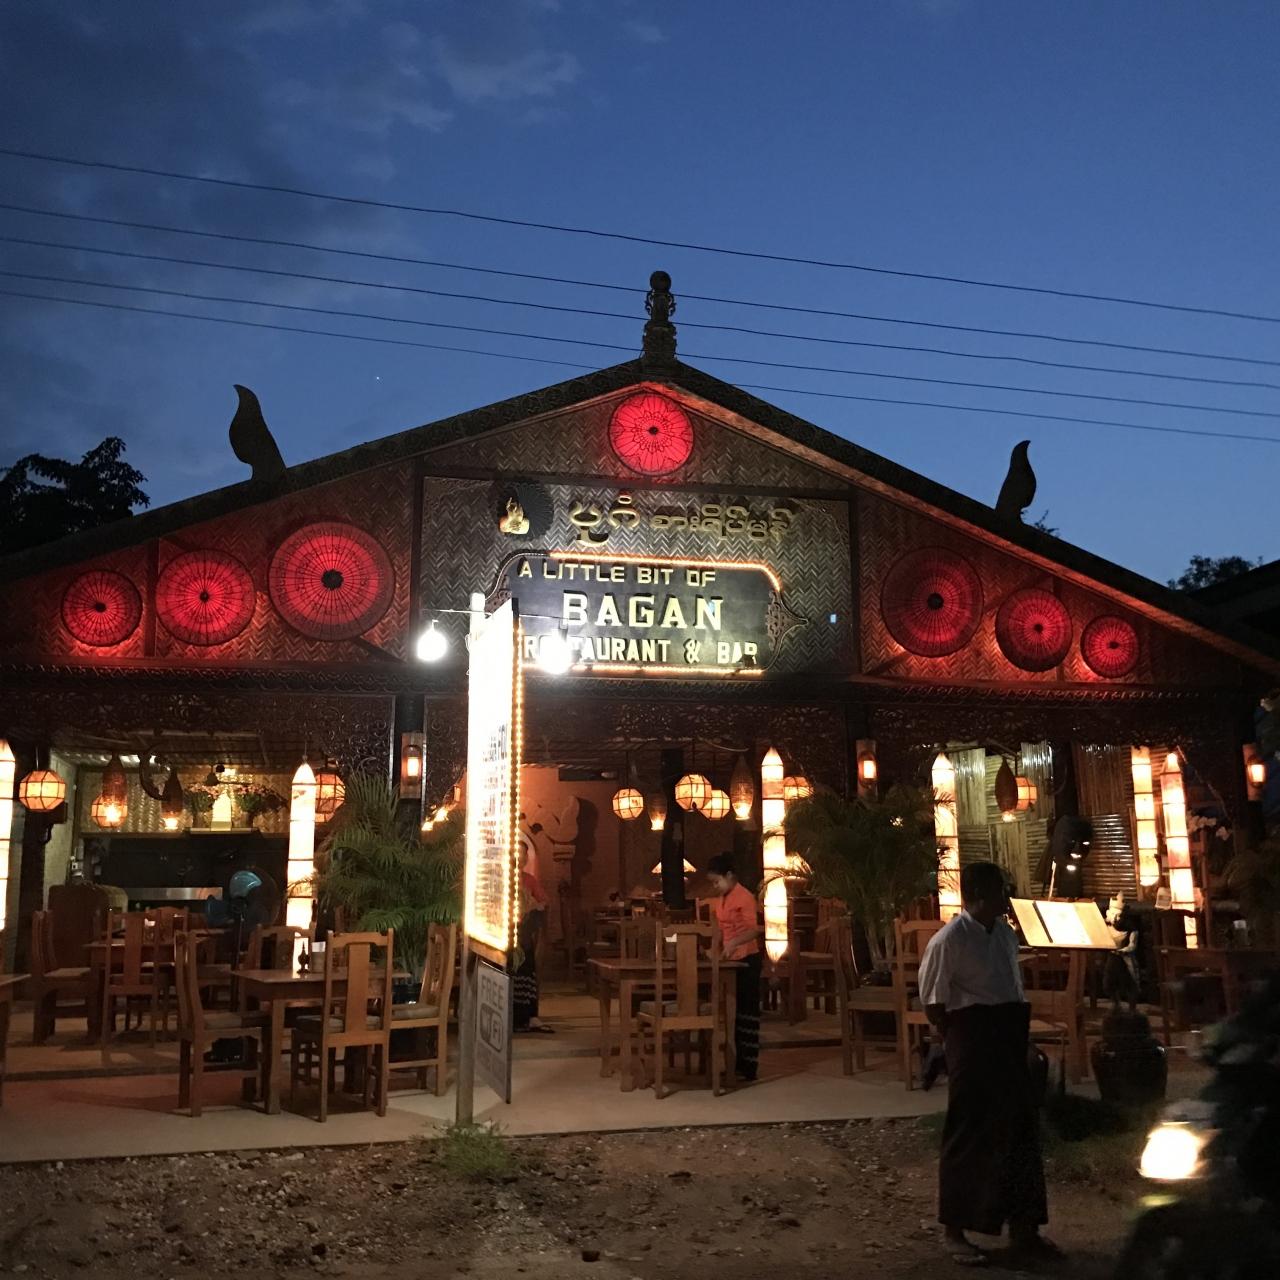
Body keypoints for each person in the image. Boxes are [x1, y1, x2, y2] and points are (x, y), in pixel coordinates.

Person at [918, 860, 1055, 1265]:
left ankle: (1025, 1228)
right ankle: (955, 1229)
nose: (1006, 898)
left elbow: (1011, 986)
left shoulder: (1006, 935)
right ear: (978, 895)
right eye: (999, 890)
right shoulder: (950, 940)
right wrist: (956, 1040)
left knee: (1020, 1131)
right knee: (970, 1130)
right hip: (972, 1033)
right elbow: (934, 1001)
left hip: (1008, 1031)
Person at [706, 852, 762, 1083]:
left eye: (717, 881)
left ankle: (748, 1068)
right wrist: (715, 948)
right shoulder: (723, 899)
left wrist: (734, 943)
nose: (715, 886)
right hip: (731, 960)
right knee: (733, 1013)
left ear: (729, 875)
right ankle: (733, 1065)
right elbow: (721, 929)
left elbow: (754, 930)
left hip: (747, 958)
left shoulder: (744, 897)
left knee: (746, 1013)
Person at [513, 839, 553, 1033]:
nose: (519, 857)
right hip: (503, 935)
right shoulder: (502, 878)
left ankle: (529, 1014)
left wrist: (534, 905)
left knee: (527, 967)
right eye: (516, 852)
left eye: (523, 854)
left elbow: (544, 900)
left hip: (523, 934)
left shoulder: (529, 880)